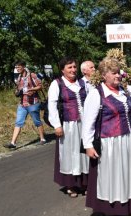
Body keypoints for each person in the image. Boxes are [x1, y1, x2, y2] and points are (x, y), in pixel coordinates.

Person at [82, 57, 131, 216]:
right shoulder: (97, 94)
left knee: (126, 172)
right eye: (114, 73)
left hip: (127, 139)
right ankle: (112, 208)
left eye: (119, 72)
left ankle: (127, 205)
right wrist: (88, 145)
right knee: (112, 175)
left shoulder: (123, 91)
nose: (118, 76)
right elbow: (88, 122)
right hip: (110, 141)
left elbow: (128, 114)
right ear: (103, 75)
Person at [48, 56, 89, 198]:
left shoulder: (82, 83)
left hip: (84, 124)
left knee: (84, 152)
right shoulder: (57, 84)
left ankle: (84, 183)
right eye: (69, 67)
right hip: (68, 124)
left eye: (74, 67)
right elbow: (52, 105)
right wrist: (57, 125)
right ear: (62, 70)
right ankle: (71, 184)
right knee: (70, 154)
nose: (73, 70)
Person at [4, 60, 46, 149]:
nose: (17, 69)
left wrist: (31, 90)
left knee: (37, 121)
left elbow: (40, 86)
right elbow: (18, 89)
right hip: (22, 104)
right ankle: (13, 143)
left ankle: (42, 139)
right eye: (16, 67)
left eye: (19, 67)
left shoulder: (32, 75)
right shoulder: (19, 78)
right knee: (18, 122)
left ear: (23, 66)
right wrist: (17, 92)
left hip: (33, 103)